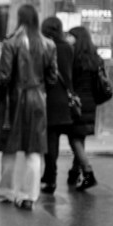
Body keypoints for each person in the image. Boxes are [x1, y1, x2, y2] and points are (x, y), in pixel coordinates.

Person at [0, 4, 57, 210]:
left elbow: (4, 77)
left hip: (14, 100)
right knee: (34, 148)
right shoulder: (48, 44)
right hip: (38, 98)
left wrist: (0, 97)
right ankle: (29, 194)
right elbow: (53, 77)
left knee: (10, 147)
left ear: (19, 19)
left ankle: (6, 191)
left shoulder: (11, 42)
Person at [40, 17, 75, 194]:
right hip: (65, 98)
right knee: (70, 138)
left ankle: (50, 178)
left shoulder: (45, 47)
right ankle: (75, 171)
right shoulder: (68, 47)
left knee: (51, 142)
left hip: (50, 98)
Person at [66, 26, 102, 191]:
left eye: (71, 36)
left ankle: (88, 172)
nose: (68, 38)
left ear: (77, 38)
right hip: (91, 102)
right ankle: (74, 172)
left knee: (74, 137)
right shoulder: (95, 58)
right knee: (80, 138)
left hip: (78, 102)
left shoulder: (75, 58)